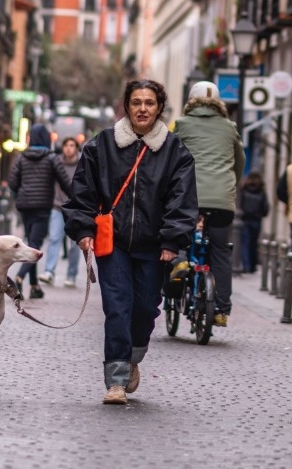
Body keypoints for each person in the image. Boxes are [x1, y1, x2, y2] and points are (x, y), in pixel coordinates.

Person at [64, 78, 197, 405]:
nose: (142, 108)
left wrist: (172, 239)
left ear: (159, 107)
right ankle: (117, 381)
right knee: (118, 306)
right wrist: (83, 230)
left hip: (155, 246)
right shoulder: (102, 145)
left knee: (145, 310)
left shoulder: (175, 150)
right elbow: (83, 191)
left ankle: (133, 356)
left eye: (149, 103)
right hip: (115, 244)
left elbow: (182, 199)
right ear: (126, 105)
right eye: (136, 102)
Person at [172, 80, 244, 326]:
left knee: (181, 233)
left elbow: (170, 156)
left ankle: (181, 260)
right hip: (222, 198)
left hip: (188, 195)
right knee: (221, 252)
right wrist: (231, 182)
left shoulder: (181, 124)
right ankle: (222, 310)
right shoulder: (229, 127)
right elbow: (239, 159)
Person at [8, 123, 71, 300]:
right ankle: (19, 277)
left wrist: (23, 190)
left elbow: (12, 183)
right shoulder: (52, 158)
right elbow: (65, 182)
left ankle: (34, 286)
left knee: (30, 242)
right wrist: (77, 197)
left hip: (24, 206)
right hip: (42, 206)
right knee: (35, 245)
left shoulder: (21, 158)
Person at [40, 137, 84, 288]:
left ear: (77, 148)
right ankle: (49, 272)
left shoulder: (83, 163)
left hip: (77, 209)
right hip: (57, 207)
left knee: (74, 245)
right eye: (66, 145)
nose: (69, 148)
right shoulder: (56, 162)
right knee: (54, 239)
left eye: (72, 145)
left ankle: (71, 276)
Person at [237, 171, 270, 273]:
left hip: (245, 219)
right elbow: (266, 208)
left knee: (245, 243)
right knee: (254, 243)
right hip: (256, 220)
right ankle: (252, 266)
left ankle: (246, 265)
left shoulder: (243, 189)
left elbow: (239, 204)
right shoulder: (261, 191)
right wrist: (260, 214)